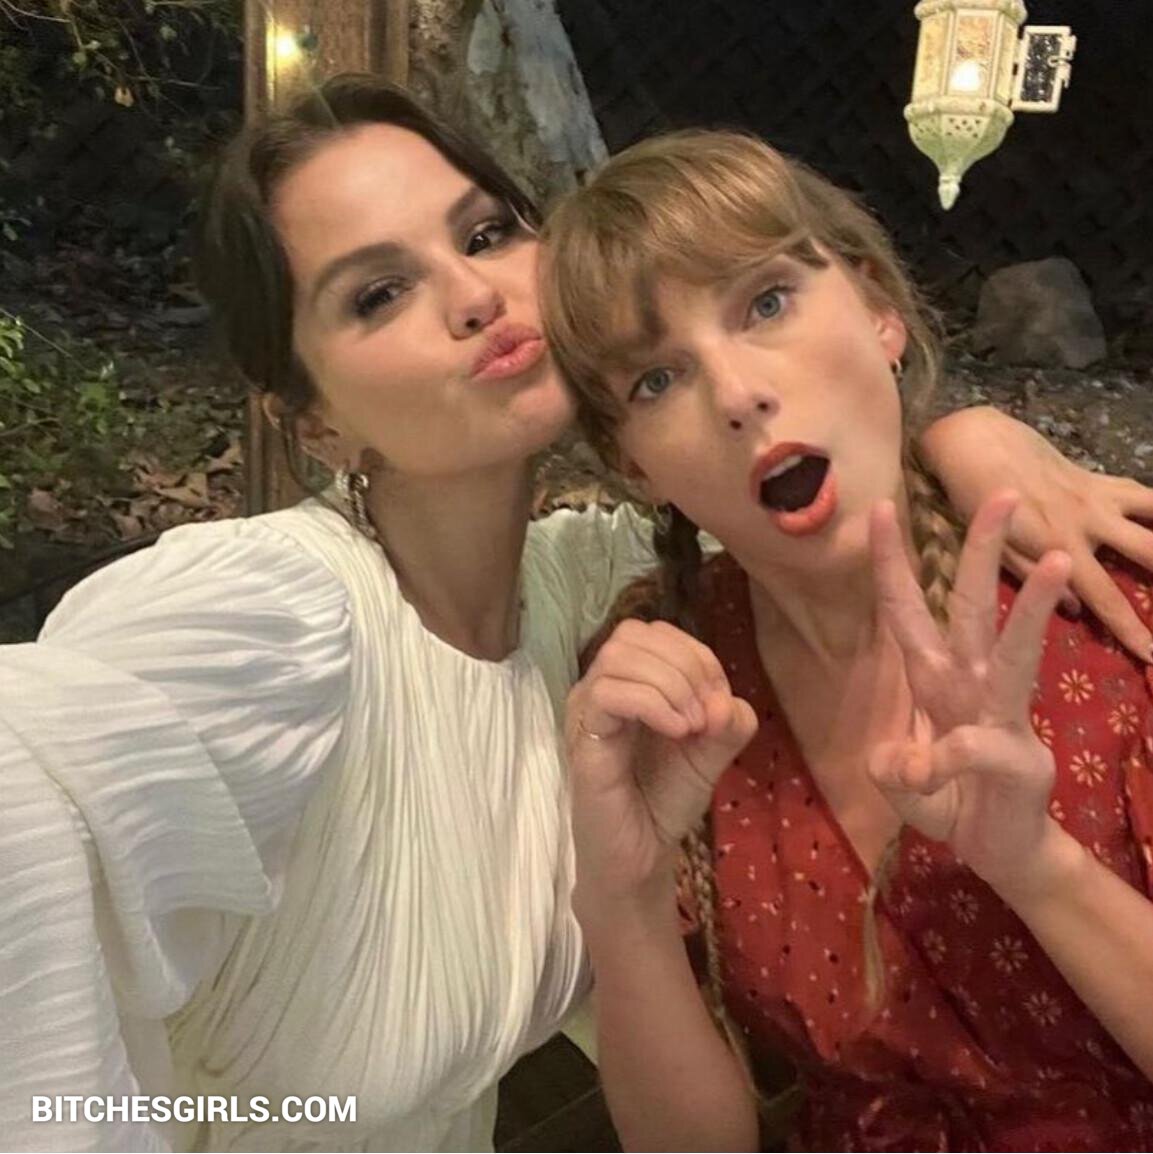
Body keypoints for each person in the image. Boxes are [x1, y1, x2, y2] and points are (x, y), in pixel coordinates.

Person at [0, 76, 1149, 1153]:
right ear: (312, 420)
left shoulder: (598, 594)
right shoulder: (275, 615)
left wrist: (964, 441)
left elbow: (808, 484)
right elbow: (43, 766)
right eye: (378, 293)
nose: (472, 297)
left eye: (485, 234)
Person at [545, 128, 1153, 1152]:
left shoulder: (1102, 596)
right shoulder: (673, 682)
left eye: (766, 303)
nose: (737, 394)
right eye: (655, 379)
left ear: (879, 310)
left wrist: (1036, 864)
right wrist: (623, 899)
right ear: (634, 463)